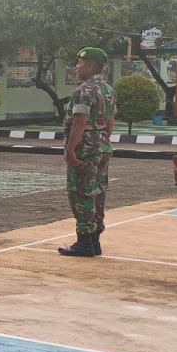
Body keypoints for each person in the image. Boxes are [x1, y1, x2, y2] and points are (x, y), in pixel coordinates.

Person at [58, 48, 116, 257]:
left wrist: (70, 150)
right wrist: (100, 140)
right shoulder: (108, 90)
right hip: (102, 146)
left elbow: (79, 121)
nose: (77, 67)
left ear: (91, 65)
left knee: (81, 192)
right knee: (98, 193)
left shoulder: (84, 90)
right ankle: (94, 241)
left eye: (80, 64)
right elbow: (110, 123)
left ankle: (84, 242)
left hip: (85, 149)